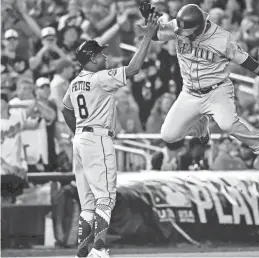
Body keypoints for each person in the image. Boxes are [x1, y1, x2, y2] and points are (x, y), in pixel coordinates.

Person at [138, 3, 259, 168]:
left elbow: (248, 62)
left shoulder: (222, 39)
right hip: (190, 93)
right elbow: (156, 35)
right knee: (167, 135)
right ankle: (201, 126)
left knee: (228, 125)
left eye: (188, 32)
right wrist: (149, 19)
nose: (184, 36)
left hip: (216, 91)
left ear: (199, 27)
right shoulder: (178, 26)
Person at [61, 14, 160, 258]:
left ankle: (83, 250)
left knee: (87, 204)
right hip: (97, 138)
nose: (105, 56)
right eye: (101, 54)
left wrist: (78, 133)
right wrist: (147, 36)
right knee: (105, 198)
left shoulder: (74, 83)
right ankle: (99, 247)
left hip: (80, 139)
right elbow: (134, 68)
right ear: (92, 59)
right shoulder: (100, 78)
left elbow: (65, 109)